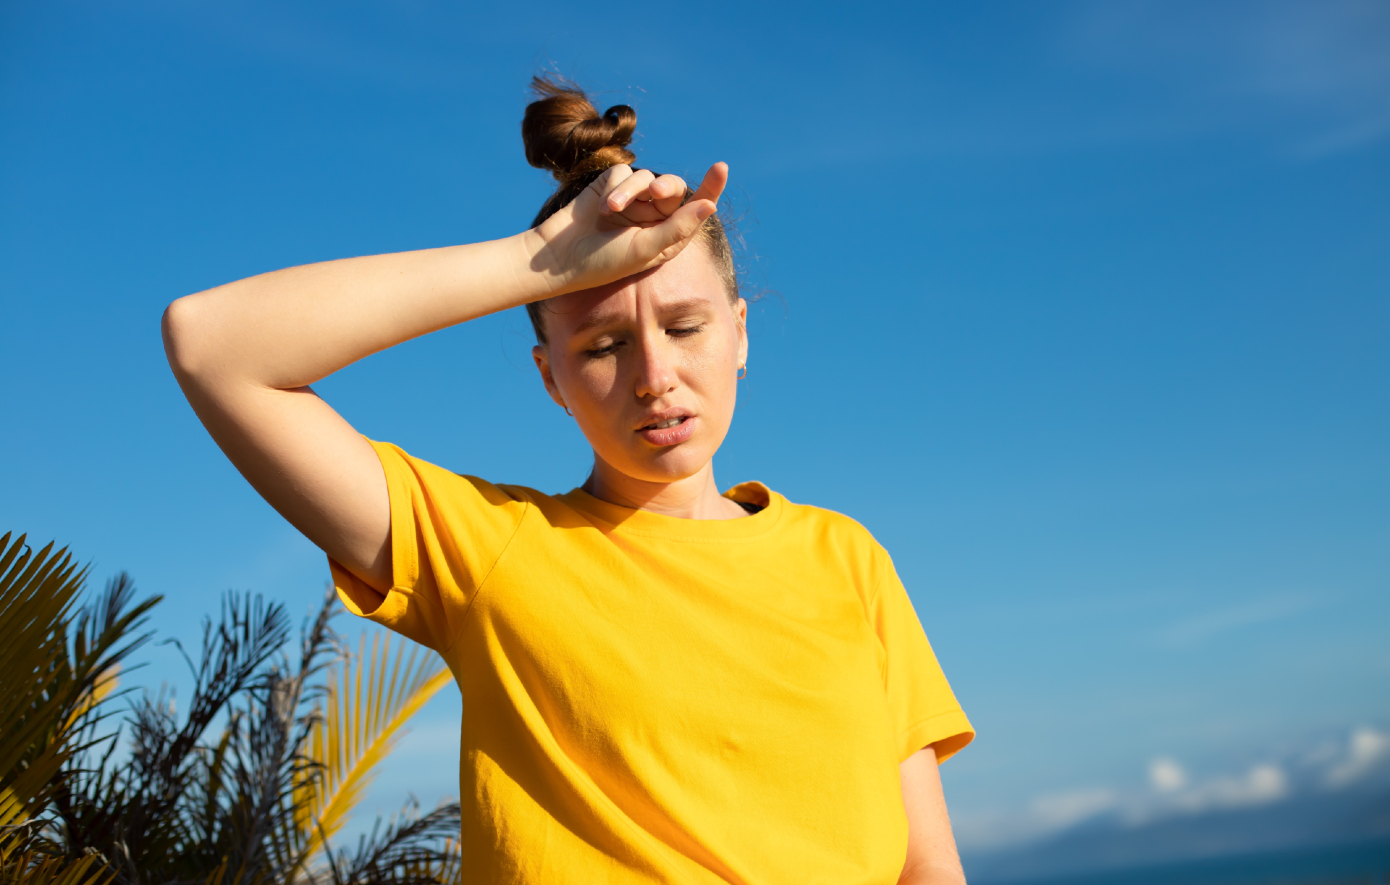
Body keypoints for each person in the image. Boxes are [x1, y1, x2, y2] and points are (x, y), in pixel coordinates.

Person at [162, 76, 975, 885]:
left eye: (686, 326)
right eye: (602, 346)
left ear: (741, 333)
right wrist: (536, 262)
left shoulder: (846, 557)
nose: (656, 376)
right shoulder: (493, 550)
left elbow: (926, 861)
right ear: (550, 378)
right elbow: (214, 345)